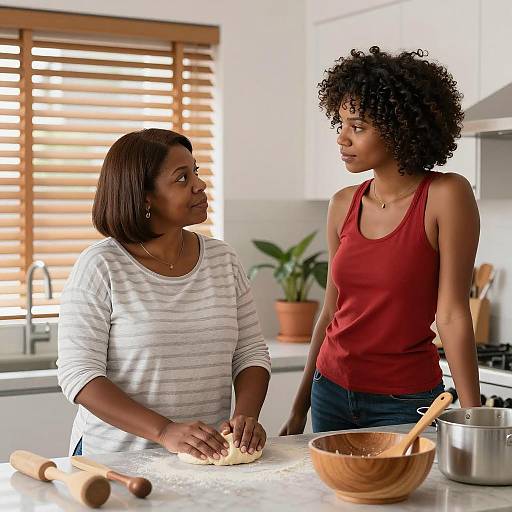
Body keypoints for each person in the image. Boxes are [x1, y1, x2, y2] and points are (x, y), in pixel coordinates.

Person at [280, 46, 481, 435]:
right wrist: (299, 405)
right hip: (331, 390)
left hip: (406, 401)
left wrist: (474, 418)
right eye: (340, 124)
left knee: (408, 496)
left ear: (399, 127)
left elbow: (453, 313)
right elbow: (330, 311)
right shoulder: (342, 204)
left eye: (357, 126)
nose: (342, 139)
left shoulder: (445, 195)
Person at [57, 128, 271, 458]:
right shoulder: (101, 266)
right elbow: (79, 376)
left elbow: (251, 352)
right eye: (182, 178)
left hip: (204, 459)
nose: (200, 184)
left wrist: (245, 416)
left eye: (195, 171)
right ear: (145, 196)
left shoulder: (222, 259)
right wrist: (164, 430)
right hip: (115, 460)